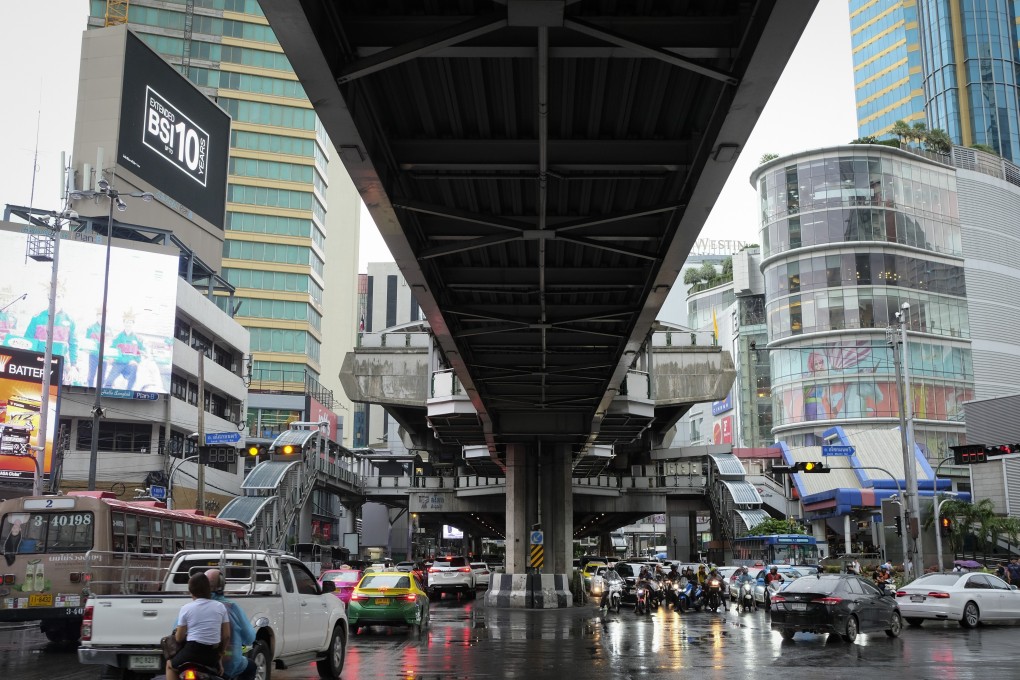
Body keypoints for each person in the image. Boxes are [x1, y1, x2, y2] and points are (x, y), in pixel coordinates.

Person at [167, 572, 230, 680]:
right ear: (208, 589)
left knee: (170, 665)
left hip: (192, 651)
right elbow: (226, 636)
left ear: (191, 590)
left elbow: (179, 638)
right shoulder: (220, 607)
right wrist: (220, 655)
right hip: (212, 653)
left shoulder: (186, 608)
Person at [206, 569, 257, 680]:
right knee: (251, 667)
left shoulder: (191, 606)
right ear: (223, 586)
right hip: (227, 664)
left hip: (197, 660)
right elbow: (249, 637)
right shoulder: (230, 607)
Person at [104, 310, 146, 390]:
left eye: (130, 322)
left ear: (133, 324)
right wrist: (110, 358)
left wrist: (136, 361)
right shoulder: (117, 338)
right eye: (126, 322)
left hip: (129, 365)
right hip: (118, 364)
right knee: (108, 383)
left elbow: (142, 353)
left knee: (134, 368)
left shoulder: (138, 339)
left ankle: (128, 391)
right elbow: (112, 351)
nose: (128, 324)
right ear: (124, 323)